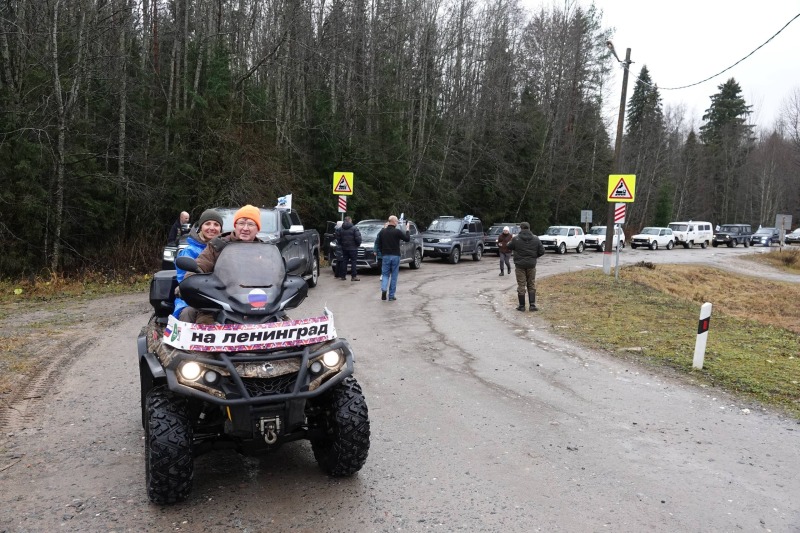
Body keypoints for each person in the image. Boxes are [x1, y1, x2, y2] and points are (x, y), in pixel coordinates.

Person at [182, 205, 262, 323]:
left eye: (251, 224)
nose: (245, 228)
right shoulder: (218, 245)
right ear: (235, 226)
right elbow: (200, 265)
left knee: (284, 324)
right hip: (219, 302)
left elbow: (276, 274)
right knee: (204, 325)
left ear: (257, 228)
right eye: (241, 223)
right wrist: (189, 283)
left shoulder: (264, 249)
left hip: (255, 302)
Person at [173, 209, 223, 321]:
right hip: (193, 298)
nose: (212, 228)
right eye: (207, 223)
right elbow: (184, 281)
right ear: (200, 227)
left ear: (221, 229)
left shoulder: (226, 249)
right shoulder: (189, 251)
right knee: (188, 312)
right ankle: (185, 337)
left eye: (216, 224)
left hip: (221, 296)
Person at [506, 222, 545, 311]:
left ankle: (522, 306)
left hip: (520, 265)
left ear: (521, 228)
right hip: (531, 265)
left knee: (521, 285)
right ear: (529, 228)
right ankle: (532, 305)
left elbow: (508, 246)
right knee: (531, 284)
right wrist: (534, 257)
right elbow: (542, 251)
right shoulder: (536, 238)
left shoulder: (516, 239)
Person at [377, 215, 410, 301]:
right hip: (395, 255)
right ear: (393, 222)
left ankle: (384, 289)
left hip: (385, 256)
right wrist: (407, 229)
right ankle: (391, 296)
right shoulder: (397, 232)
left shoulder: (382, 232)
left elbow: (379, 244)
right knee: (394, 276)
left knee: (385, 274)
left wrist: (383, 252)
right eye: (397, 221)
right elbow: (407, 239)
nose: (397, 222)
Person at [336, 216, 362, 281]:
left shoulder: (340, 229)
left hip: (344, 248)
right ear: (350, 220)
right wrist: (358, 244)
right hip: (353, 248)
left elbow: (338, 238)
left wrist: (341, 244)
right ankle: (353, 276)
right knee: (353, 262)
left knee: (344, 261)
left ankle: (343, 276)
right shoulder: (354, 228)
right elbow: (358, 238)